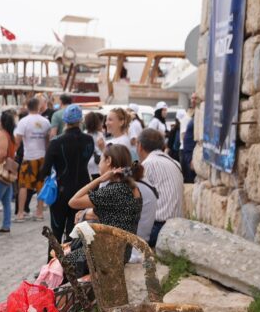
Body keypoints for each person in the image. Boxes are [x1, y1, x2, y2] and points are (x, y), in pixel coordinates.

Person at [65, 144, 144, 276]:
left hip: (105, 256)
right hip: (122, 253)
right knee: (69, 250)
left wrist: (99, 180)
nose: (99, 164)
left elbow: (73, 202)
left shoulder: (114, 190)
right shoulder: (132, 188)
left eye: (101, 160)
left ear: (109, 161)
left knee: (61, 261)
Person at [39, 104, 94, 242]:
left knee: (56, 233)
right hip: (82, 191)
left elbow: (45, 170)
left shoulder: (56, 142)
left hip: (61, 191)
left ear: (64, 121)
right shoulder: (89, 140)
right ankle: (72, 256)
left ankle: (55, 256)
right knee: (74, 233)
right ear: (80, 120)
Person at [138, 128, 185, 247]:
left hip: (158, 228)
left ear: (140, 146)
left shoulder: (148, 164)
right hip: (177, 225)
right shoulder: (175, 163)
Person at [13, 97, 50, 222]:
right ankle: (39, 213)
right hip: (42, 156)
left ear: (27, 107)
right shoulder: (45, 121)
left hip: (28, 156)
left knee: (23, 186)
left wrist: (13, 153)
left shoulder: (23, 121)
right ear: (38, 107)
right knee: (40, 185)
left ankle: (20, 213)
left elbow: (17, 141)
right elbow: (47, 141)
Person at [84, 111, 106, 180]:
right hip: (98, 163)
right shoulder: (100, 134)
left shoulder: (84, 134)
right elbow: (103, 148)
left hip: (87, 164)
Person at [180, 99, 198, 183]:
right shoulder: (188, 118)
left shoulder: (194, 118)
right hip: (188, 153)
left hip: (190, 153)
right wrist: (190, 158)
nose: (192, 100)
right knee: (189, 180)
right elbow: (184, 137)